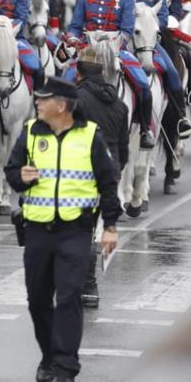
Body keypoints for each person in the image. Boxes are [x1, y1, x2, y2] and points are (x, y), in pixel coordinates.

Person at [4, 76, 122, 382]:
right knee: (38, 300)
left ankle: (65, 368)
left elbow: (108, 183)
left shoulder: (90, 136)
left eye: (43, 99)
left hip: (76, 231)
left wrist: (110, 226)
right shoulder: (30, 131)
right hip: (37, 231)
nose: (37, 103)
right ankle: (48, 357)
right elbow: (12, 172)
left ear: (62, 105)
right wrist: (21, 178)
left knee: (69, 297)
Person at [66, 0, 156, 149]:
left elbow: (126, 30)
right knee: (66, 79)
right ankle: (62, 126)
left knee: (143, 85)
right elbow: (75, 27)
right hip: (89, 50)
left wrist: (113, 43)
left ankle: (145, 129)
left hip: (116, 50)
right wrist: (72, 38)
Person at [119, 0, 191, 139]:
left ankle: (180, 116)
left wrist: (147, 22)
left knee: (172, 71)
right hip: (121, 40)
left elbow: (163, 18)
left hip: (147, 42)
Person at [72, 48, 131, 310]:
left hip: (81, 171)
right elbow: (125, 149)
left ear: (79, 72)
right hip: (110, 171)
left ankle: (85, 284)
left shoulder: (75, 99)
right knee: (94, 228)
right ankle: (88, 285)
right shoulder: (119, 104)